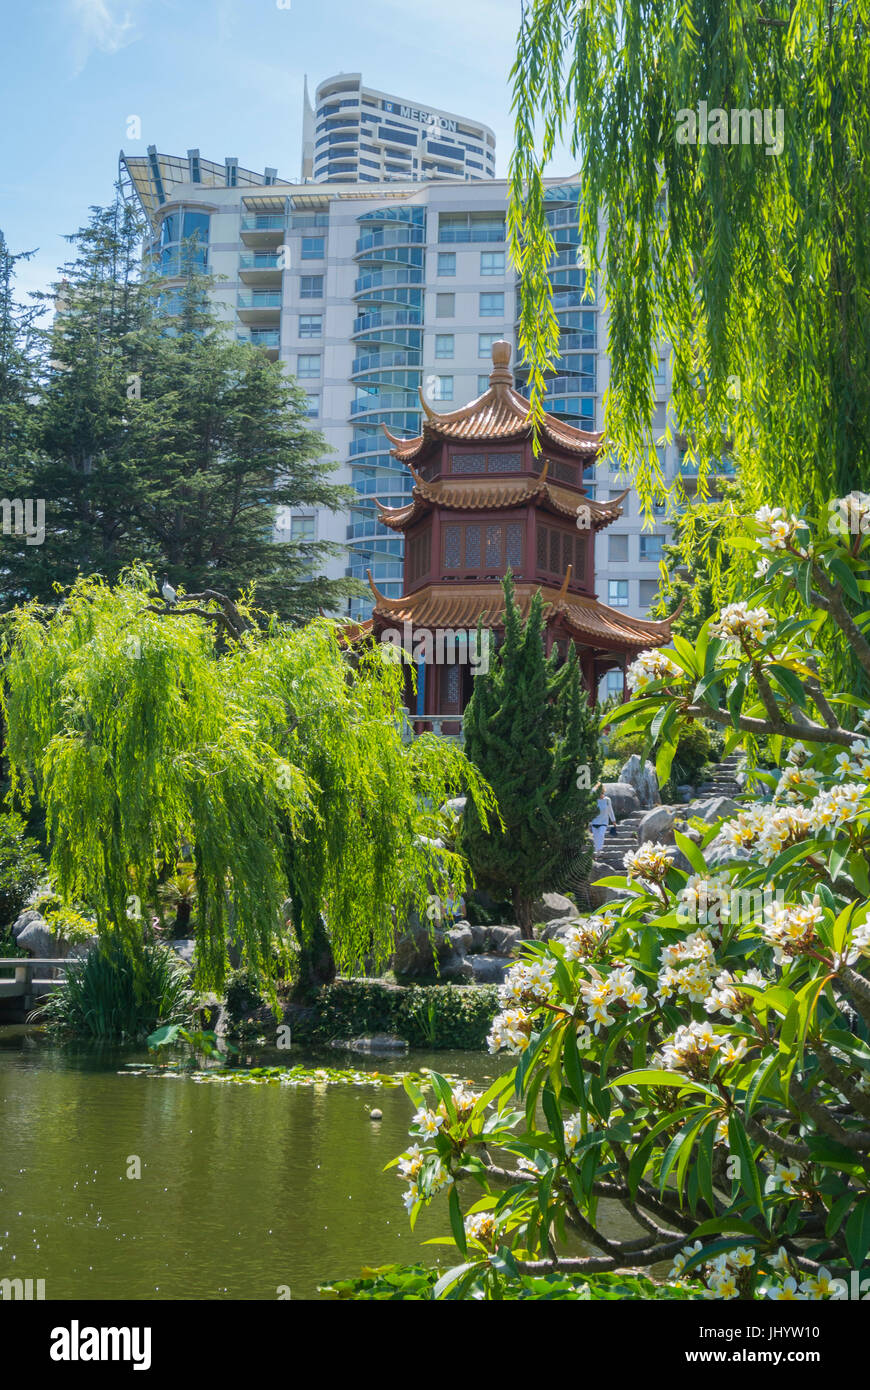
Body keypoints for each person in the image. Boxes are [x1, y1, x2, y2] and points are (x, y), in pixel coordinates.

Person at [590, 783, 616, 855]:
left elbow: (610, 811)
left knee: (601, 834)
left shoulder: (607, 800)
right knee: (595, 837)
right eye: (598, 793)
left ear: (603, 792)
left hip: (604, 822)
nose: (600, 794)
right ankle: (597, 850)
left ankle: (599, 850)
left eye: (601, 792)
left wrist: (613, 820)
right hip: (594, 821)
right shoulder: (594, 801)